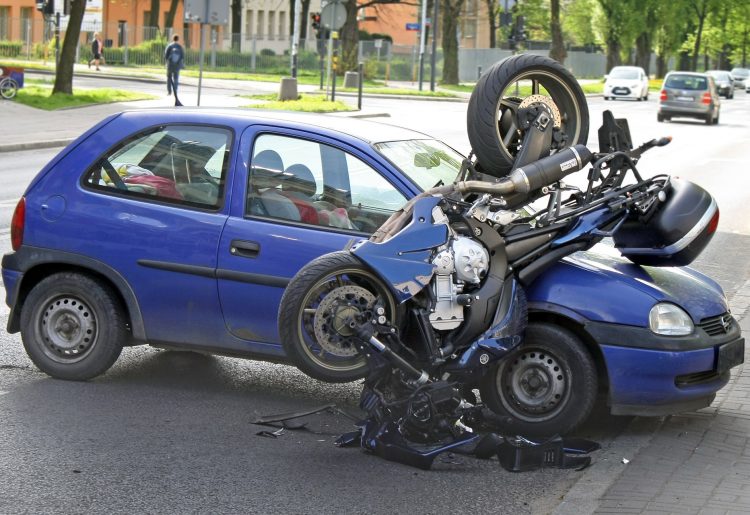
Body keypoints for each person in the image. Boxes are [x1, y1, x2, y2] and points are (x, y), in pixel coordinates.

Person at [164, 34, 185, 104]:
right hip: (177, 66)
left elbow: (166, 55)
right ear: (178, 39)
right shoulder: (180, 47)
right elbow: (182, 56)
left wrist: (167, 61)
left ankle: (169, 91)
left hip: (170, 65)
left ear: (173, 39)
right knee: (176, 79)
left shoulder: (170, 46)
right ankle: (175, 91)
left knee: (169, 78)